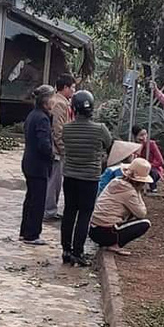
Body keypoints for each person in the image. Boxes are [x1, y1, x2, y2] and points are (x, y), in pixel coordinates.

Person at [62, 90, 113, 266]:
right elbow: (109, 144)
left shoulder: (66, 129)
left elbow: (65, 145)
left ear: (73, 109)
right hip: (90, 179)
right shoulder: (100, 129)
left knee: (69, 212)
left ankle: (66, 250)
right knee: (84, 215)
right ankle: (78, 252)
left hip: (70, 177)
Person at [89, 158, 153, 256]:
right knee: (145, 223)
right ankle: (116, 245)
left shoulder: (115, 181)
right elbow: (141, 213)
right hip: (108, 231)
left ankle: (110, 242)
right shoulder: (130, 192)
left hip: (94, 229)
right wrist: (138, 192)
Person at [19, 85, 56, 245]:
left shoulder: (32, 115)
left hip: (29, 162)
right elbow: (43, 144)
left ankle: (25, 231)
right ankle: (32, 234)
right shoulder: (42, 118)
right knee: (38, 201)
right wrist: (51, 155)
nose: (54, 102)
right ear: (46, 101)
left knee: (30, 199)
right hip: (38, 165)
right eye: (53, 99)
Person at [44, 74, 76, 221]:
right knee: (54, 181)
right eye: (72, 87)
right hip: (56, 150)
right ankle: (49, 210)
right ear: (65, 88)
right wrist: (63, 149)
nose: (74, 90)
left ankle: (51, 209)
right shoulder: (60, 104)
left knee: (55, 180)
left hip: (58, 148)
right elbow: (58, 129)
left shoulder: (63, 102)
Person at [131, 125, 164, 191]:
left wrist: (149, 164)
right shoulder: (133, 145)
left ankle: (153, 186)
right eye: (141, 135)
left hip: (152, 168)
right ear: (135, 137)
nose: (144, 137)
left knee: (151, 171)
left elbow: (161, 161)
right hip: (138, 168)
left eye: (145, 134)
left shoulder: (151, 144)